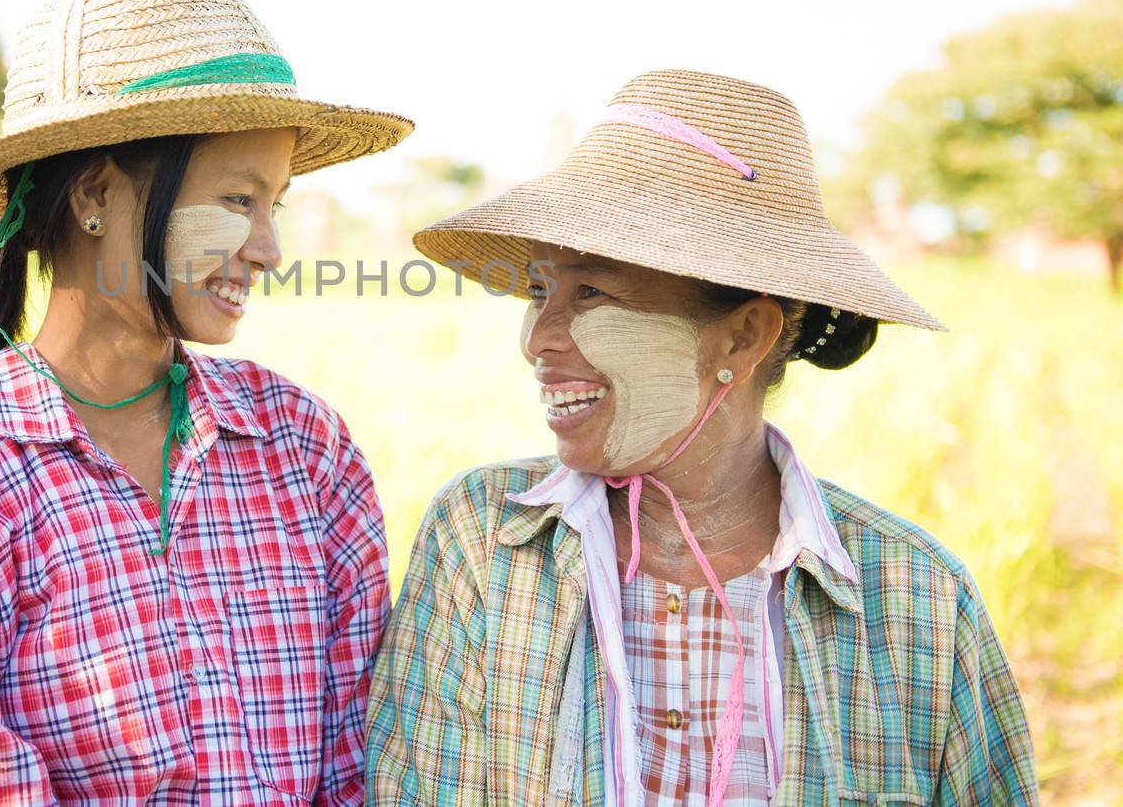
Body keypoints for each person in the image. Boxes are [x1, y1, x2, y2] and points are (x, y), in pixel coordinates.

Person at [366, 70, 1038, 805]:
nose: (539, 339)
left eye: (591, 291)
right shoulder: (483, 543)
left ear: (744, 337)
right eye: (538, 290)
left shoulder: (918, 601)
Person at [0, 0, 413, 805]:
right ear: (97, 195)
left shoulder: (303, 448)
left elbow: (356, 768)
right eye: (235, 200)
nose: (269, 250)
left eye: (274, 206)